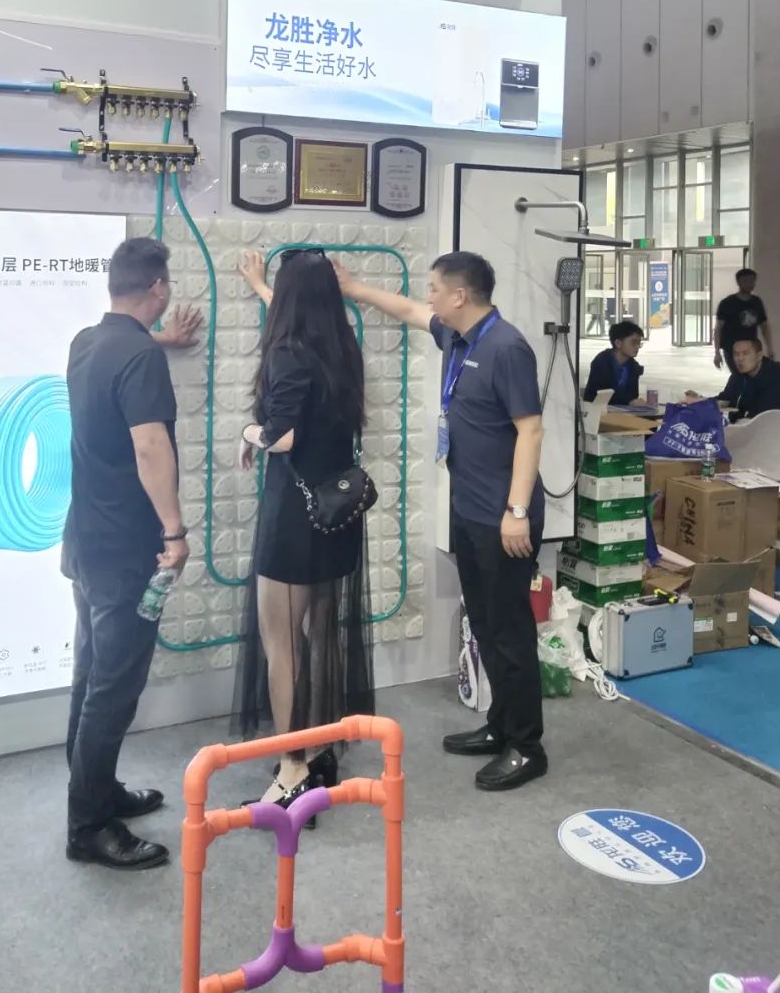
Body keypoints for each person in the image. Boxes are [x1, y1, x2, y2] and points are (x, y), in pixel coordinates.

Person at [335, 251, 547, 793]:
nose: (428, 295)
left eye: (434, 288)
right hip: (470, 509)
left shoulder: (506, 347)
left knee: (509, 630)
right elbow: (409, 311)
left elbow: (531, 431)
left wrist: (517, 511)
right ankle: (501, 725)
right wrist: (354, 289)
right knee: (485, 622)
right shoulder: (457, 336)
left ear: (460, 295)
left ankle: (527, 746)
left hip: (504, 515)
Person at [62, 237, 201, 872]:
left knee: (92, 673)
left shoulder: (87, 342)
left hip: (86, 540)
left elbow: (119, 370)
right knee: (114, 687)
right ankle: (89, 827)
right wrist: (174, 532)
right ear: (158, 287)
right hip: (125, 549)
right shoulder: (138, 356)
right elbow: (150, 447)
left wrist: (160, 342)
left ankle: (94, 789)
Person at [236, 248, 374, 805]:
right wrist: (260, 287)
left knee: (282, 646)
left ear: (289, 299)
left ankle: (291, 768)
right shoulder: (341, 348)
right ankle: (319, 752)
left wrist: (249, 433)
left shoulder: (289, 353)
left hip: (294, 520)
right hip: (335, 515)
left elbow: (282, 435)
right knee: (321, 637)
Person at [686, 335, 780, 421]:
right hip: (750, 429)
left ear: (759, 356)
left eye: (745, 353)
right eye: (736, 354)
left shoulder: (776, 374)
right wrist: (699, 401)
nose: (740, 359)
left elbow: (762, 416)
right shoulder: (739, 375)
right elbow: (726, 399)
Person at [714, 269, 772, 373]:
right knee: (739, 374)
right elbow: (718, 329)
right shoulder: (727, 303)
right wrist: (717, 352)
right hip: (732, 348)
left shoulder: (756, 302)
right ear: (738, 282)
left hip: (751, 348)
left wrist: (770, 348)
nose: (750, 284)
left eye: (752, 281)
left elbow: (764, 326)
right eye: (746, 281)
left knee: (751, 375)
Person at [583, 320, 649, 407]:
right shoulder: (601, 362)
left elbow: (633, 395)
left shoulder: (634, 367)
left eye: (639, 343)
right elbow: (600, 395)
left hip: (623, 411)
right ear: (618, 343)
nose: (637, 347)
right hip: (597, 410)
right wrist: (629, 402)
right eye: (633, 342)